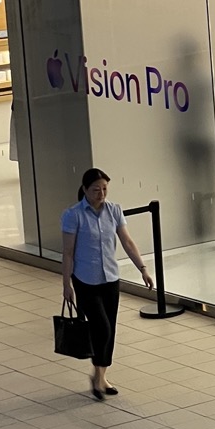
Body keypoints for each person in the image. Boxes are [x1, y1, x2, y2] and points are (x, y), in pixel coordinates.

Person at [61, 168, 153, 401]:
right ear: (84, 190)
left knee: (109, 327)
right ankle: (98, 373)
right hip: (85, 279)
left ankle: (100, 376)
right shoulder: (73, 215)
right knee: (101, 326)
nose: (101, 193)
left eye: (104, 189)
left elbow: (127, 241)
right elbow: (68, 252)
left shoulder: (114, 210)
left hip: (110, 278)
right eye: (95, 190)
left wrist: (142, 268)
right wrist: (66, 285)